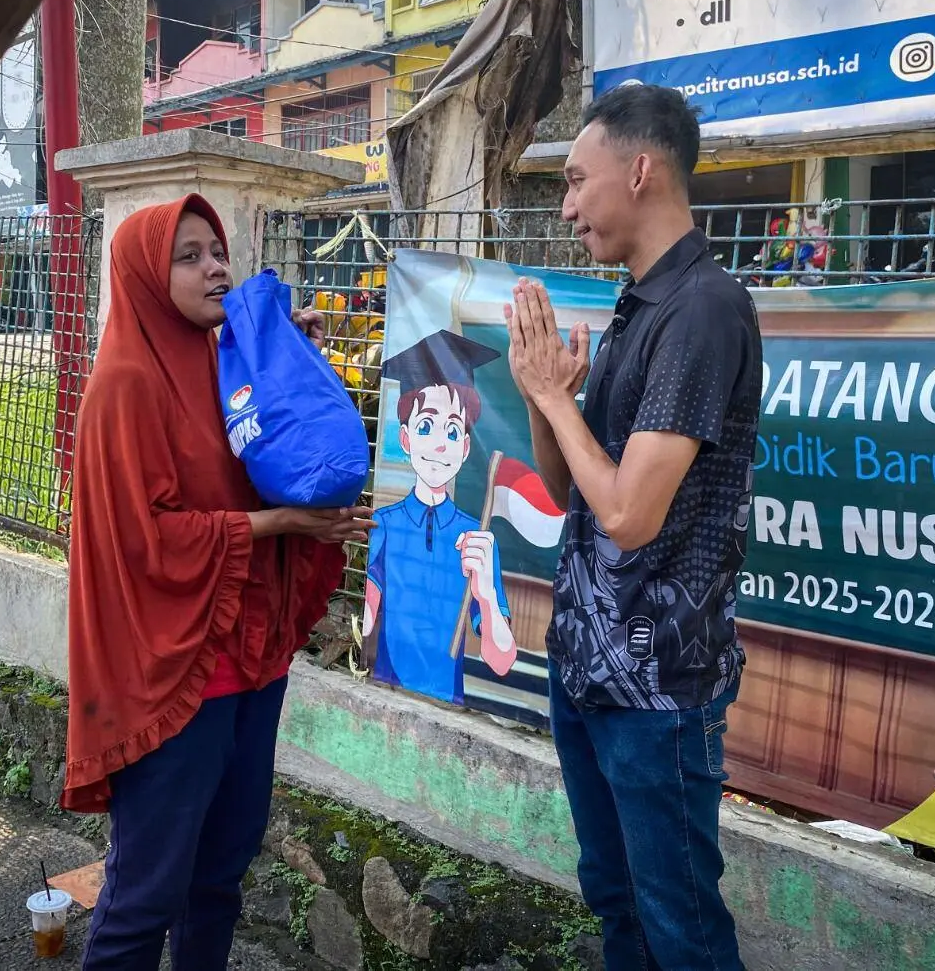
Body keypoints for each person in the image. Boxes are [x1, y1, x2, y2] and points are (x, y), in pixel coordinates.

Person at [62, 194, 374, 971]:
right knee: (145, 893)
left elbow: (265, 461)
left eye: (218, 251)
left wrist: (285, 362)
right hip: (174, 673)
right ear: (144, 272)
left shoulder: (224, 360)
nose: (216, 268)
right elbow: (148, 538)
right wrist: (279, 528)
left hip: (249, 661)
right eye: (190, 255)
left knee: (220, 879)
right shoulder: (126, 384)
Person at [506, 83, 762, 971]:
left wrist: (549, 395)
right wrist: (549, 402)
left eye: (578, 181)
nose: (569, 207)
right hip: (588, 667)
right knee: (616, 902)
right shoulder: (640, 304)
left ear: (641, 169)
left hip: (659, 688)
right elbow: (567, 484)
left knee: (679, 925)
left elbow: (629, 514)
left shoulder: (703, 309)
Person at [364, 330, 519, 704]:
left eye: (452, 431)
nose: (438, 444)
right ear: (405, 440)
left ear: (465, 448)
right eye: (425, 426)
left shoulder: (477, 538)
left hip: (450, 703)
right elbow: (366, 620)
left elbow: (501, 661)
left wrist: (484, 595)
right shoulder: (383, 523)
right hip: (385, 690)